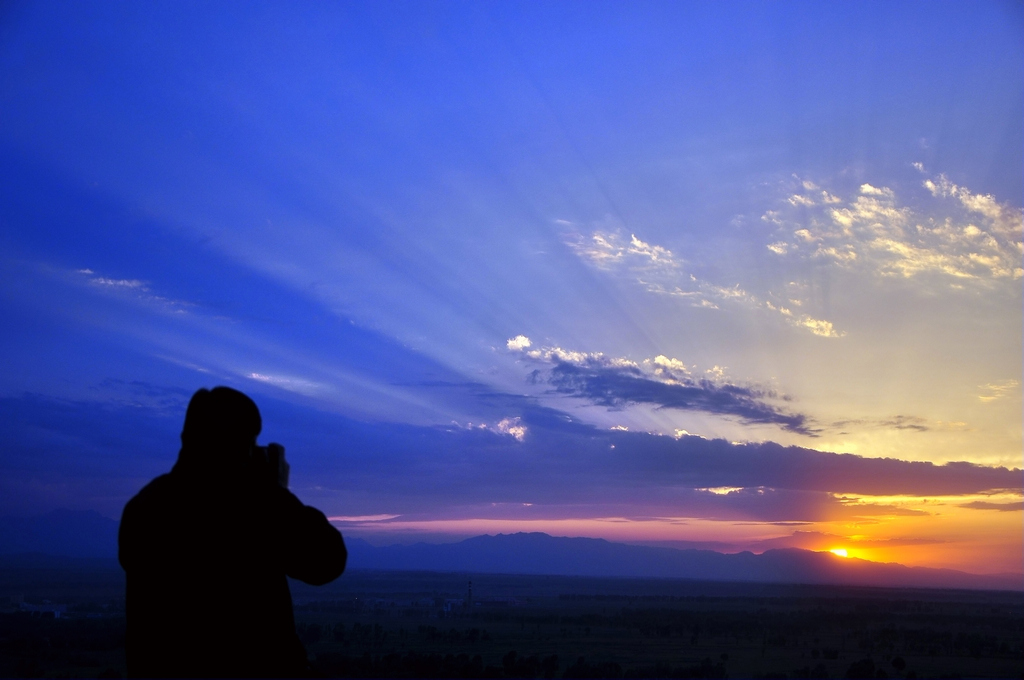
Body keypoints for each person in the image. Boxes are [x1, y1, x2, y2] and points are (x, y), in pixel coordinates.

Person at [119, 387, 346, 678]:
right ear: (237, 447)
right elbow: (326, 561)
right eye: (250, 444)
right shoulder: (253, 506)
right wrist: (275, 491)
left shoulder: (143, 507)